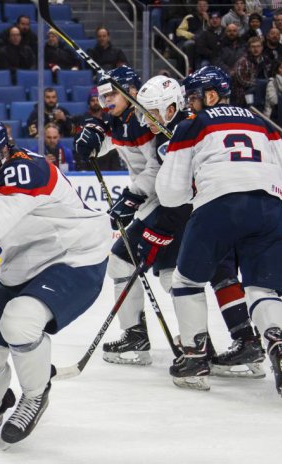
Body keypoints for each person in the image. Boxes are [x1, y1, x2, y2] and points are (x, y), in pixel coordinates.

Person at [0, 117, 110, 443]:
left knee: (20, 322)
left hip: (74, 256)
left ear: (2, 153)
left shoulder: (26, 169)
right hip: (21, 264)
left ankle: (35, 395)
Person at [156, 66, 282, 398]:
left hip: (220, 205)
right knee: (262, 288)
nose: (189, 105)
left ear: (211, 95)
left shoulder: (192, 125)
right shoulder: (261, 122)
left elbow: (170, 195)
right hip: (271, 207)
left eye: (193, 98)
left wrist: (195, 182)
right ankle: (278, 344)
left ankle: (194, 359)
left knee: (186, 281)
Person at [74, 69, 191, 366]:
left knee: (129, 262)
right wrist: (90, 141)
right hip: (156, 204)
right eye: (103, 97)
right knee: (166, 273)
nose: (107, 101)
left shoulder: (146, 120)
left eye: (112, 94)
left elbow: (158, 167)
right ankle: (191, 339)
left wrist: (132, 196)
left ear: (132, 92)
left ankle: (175, 340)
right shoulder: (121, 120)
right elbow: (109, 144)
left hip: (165, 203)